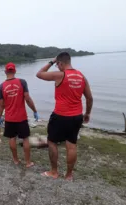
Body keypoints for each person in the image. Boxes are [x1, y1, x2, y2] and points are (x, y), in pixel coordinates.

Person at [36, 52, 93, 180]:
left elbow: (39, 74)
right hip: (77, 116)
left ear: (60, 63)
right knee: (71, 145)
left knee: (52, 141)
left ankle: (54, 172)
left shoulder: (60, 75)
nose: (57, 67)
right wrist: (87, 113)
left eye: (57, 65)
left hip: (60, 116)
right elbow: (89, 98)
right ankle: (68, 175)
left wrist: (51, 61)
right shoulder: (81, 76)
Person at [0, 62, 39, 168]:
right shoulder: (22, 82)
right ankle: (28, 162)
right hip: (21, 118)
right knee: (25, 139)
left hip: (9, 118)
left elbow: (1, 104)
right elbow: (28, 99)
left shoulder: (1, 86)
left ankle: (16, 160)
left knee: (12, 138)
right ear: (15, 71)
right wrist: (34, 110)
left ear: (5, 72)